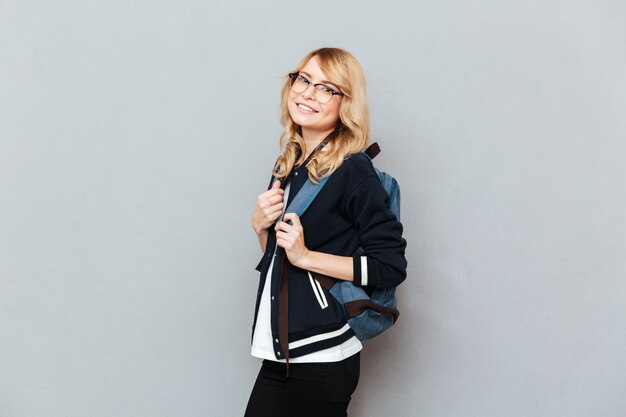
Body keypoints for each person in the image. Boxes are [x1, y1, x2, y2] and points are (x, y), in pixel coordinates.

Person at [245, 47, 407, 417]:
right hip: (280, 351)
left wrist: (306, 257)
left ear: (345, 103)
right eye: (303, 80)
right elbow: (281, 257)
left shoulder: (354, 170)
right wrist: (259, 228)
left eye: (326, 88)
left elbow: (390, 266)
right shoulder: (289, 163)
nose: (307, 93)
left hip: (324, 355)